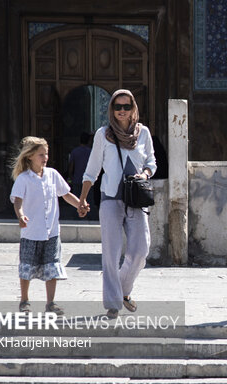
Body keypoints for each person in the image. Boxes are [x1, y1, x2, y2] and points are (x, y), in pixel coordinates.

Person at [78, 89, 156, 319]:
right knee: (110, 254)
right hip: (111, 199)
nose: (122, 111)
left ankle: (123, 290)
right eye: (117, 107)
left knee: (141, 250)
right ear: (111, 109)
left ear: (134, 109)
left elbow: (151, 160)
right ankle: (113, 303)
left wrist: (146, 173)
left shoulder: (143, 134)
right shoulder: (103, 134)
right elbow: (92, 169)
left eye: (127, 106)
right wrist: (82, 199)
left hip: (136, 199)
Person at [10, 136, 86, 315]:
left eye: (46, 154)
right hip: (31, 232)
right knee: (27, 267)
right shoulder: (23, 179)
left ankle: (51, 303)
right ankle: (24, 300)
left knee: (52, 267)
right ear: (29, 156)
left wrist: (80, 205)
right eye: (40, 154)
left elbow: (66, 194)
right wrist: (21, 215)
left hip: (51, 231)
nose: (45, 158)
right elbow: (17, 201)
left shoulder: (52, 174)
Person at [68, 132, 92, 218]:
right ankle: (89, 216)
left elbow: (71, 166)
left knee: (75, 198)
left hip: (77, 178)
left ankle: (75, 216)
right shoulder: (91, 152)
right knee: (89, 199)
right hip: (89, 180)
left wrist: (70, 176)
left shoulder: (75, 151)